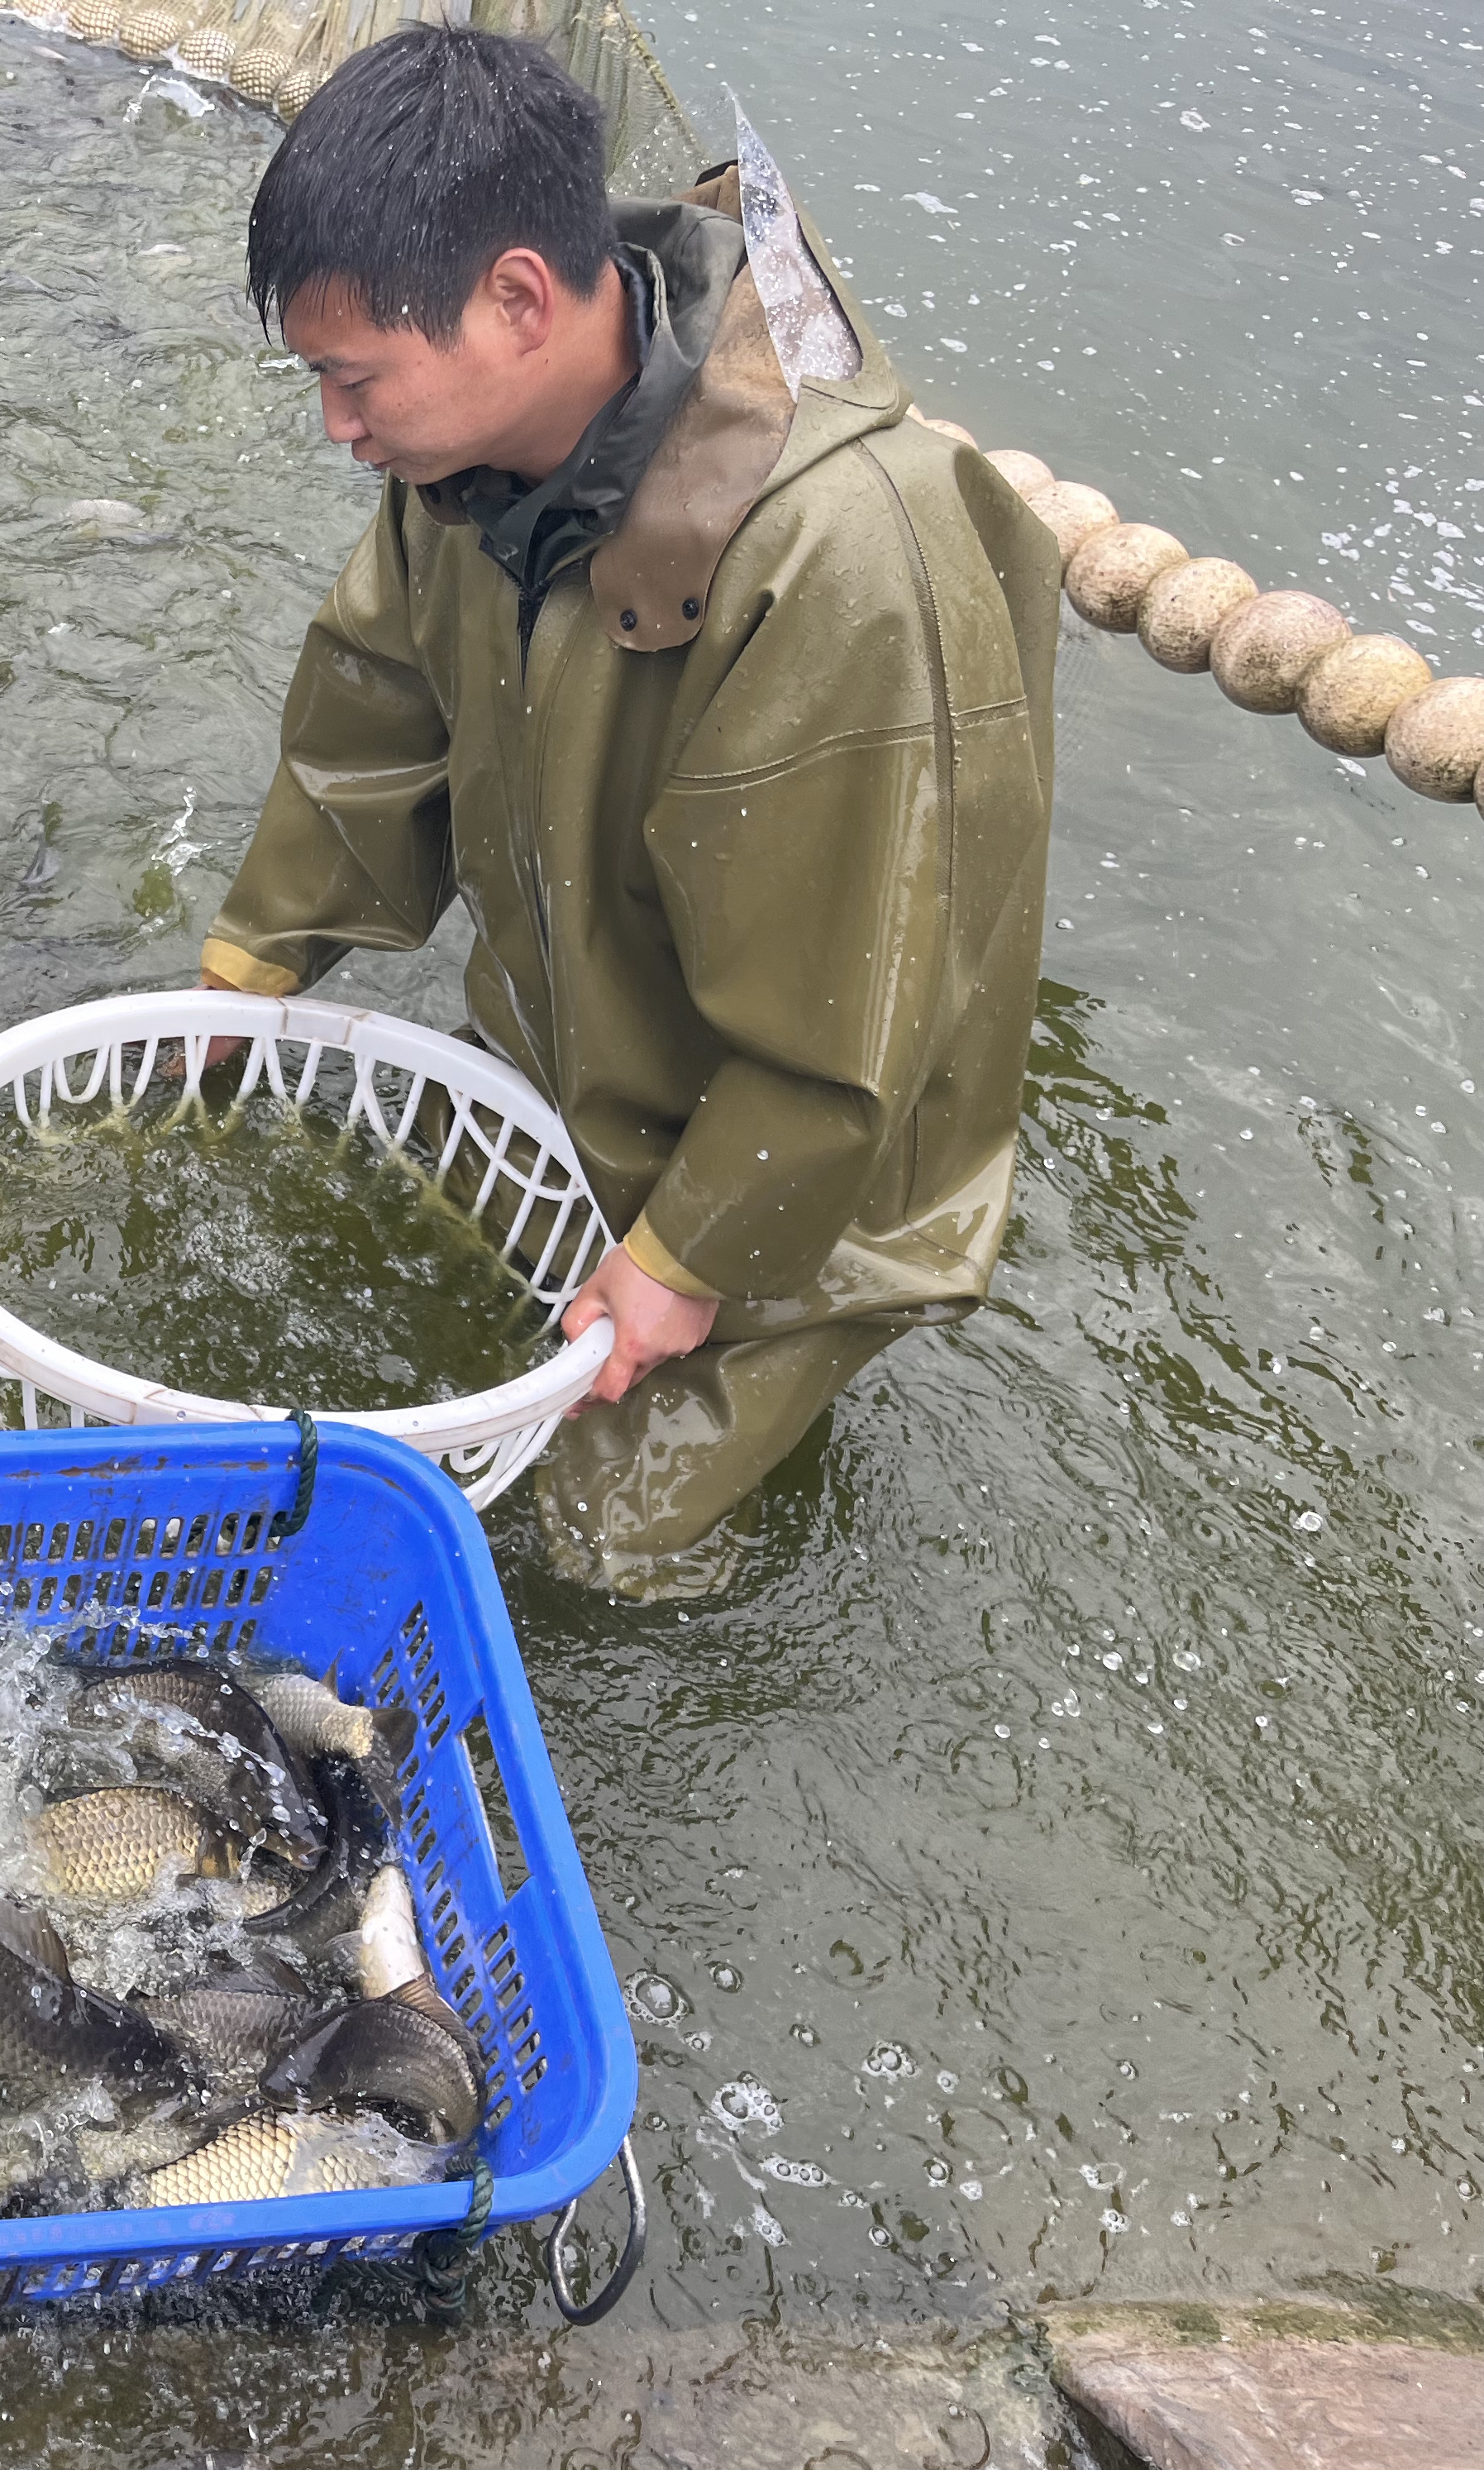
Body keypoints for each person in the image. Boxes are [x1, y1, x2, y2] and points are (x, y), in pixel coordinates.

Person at [203, 27, 1057, 1595]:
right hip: (586, 1066)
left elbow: (850, 1023)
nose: (337, 426)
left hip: (824, 1162)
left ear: (521, 299)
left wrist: (686, 1265)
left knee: (590, 1545)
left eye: (351, 378)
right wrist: (250, 964)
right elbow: (375, 717)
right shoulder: (459, 453)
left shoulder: (839, 557)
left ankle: (787, 1356)